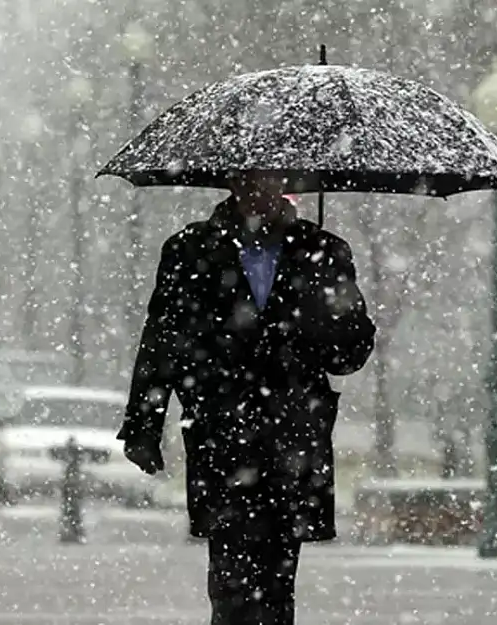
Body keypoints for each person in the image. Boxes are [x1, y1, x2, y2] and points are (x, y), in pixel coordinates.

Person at [118, 172, 375, 625]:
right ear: (231, 181)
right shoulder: (190, 250)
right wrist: (144, 423)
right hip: (221, 433)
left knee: (278, 581)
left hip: (294, 436)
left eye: (272, 178)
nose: (260, 189)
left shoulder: (324, 252)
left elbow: (349, 355)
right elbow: (161, 342)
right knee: (231, 579)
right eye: (250, 178)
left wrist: (330, 316)